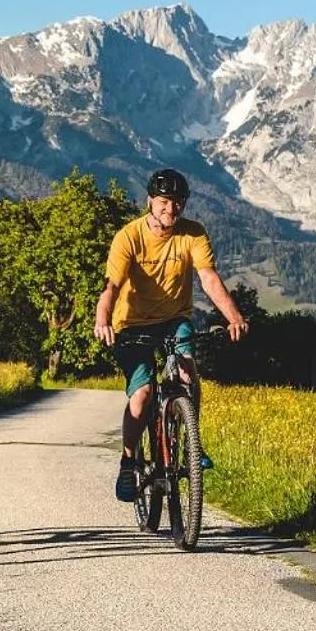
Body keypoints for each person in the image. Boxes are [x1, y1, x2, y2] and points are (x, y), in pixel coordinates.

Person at [92, 168, 247, 502]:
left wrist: (233, 315)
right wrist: (102, 318)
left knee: (187, 366)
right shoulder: (128, 237)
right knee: (143, 394)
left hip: (174, 318)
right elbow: (112, 287)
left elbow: (208, 278)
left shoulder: (193, 234)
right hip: (131, 325)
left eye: (177, 203)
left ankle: (193, 442)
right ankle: (128, 459)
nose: (170, 209)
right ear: (150, 201)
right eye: (164, 202)